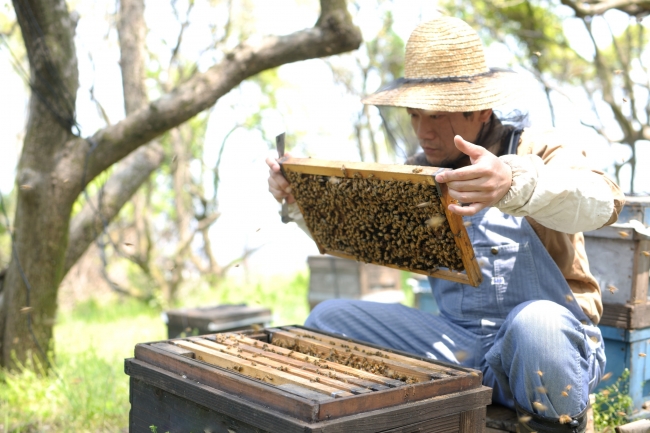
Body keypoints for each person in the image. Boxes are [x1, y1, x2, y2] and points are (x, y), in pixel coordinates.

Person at [266, 16, 624, 433]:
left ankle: (558, 421)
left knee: (536, 324)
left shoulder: (539, 148)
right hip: (460, 348)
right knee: (328, 319)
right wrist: (298, 202)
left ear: (481, 111)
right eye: (415, 115)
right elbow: (362, 236)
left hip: (550, 347)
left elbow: (601, 201)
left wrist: (514, 183)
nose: (423, 132)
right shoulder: (420, 172)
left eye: (436, 116)